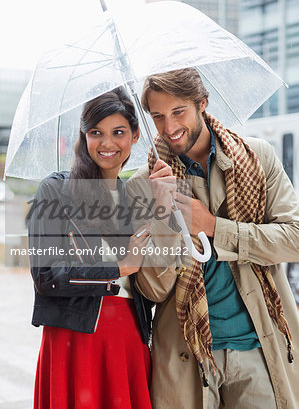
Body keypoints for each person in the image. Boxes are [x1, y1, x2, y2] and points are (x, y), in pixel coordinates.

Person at [126, 68, 299, 409]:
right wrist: (163, 216)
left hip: (258, 346)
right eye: (158, 116)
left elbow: (293, 238)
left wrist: (212, 227)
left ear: (202, 104)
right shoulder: (142, 185)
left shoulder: (258, 158)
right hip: (186, 354)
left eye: (179, 112)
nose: (169, 127)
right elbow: (153, 290)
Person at [27, 87, 152, 409]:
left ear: (135, 136)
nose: (107, 143)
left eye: (119, 132)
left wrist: (162, 200)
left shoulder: (138, 196)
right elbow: (46, 276)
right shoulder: (55, 190)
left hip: (129, 335)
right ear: (84, 137)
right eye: (96, 132)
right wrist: (119, 269)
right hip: (74, 336)